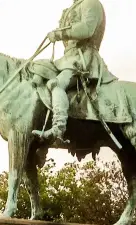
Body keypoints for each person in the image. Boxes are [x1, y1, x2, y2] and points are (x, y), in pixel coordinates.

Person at [32, 0, 117, 143]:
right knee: (39, 69)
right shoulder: (75, 6)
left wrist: (60, 34)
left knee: (57, 84)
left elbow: (87, 28)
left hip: (83, 58)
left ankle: (58, 128)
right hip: (67, 58)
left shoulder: (91, 2)